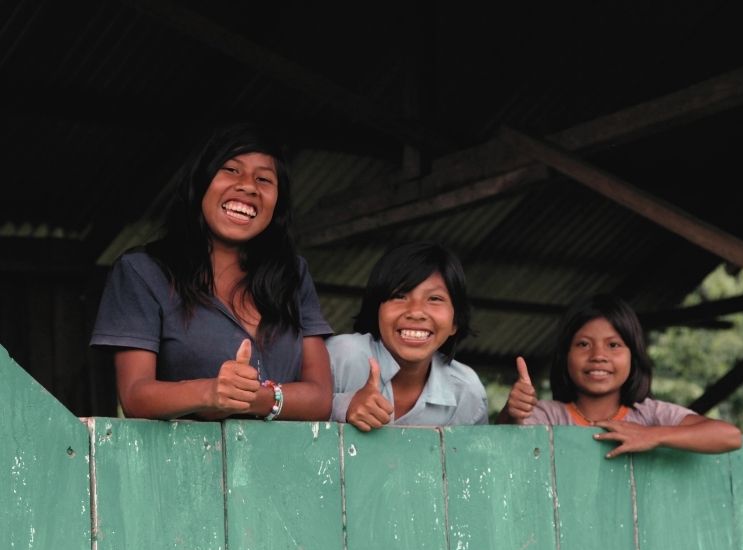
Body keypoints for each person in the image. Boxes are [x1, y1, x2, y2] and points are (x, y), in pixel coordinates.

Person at [91, 122, 333, 421]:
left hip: (288, 452)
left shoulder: (293, 274)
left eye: (263, 179)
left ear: (277, 203)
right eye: (231, 170)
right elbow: (134, 396)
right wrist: (210, 392)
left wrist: (255, 399)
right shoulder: (142, 272)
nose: (248, 186)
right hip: (186, 452)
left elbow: (320, 399)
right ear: (200, 183)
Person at [498, 294, 742, 457]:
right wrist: (512, 411)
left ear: (634, 356)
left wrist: (652, 435)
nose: (598, 356)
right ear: (565, 356)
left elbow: (730, 436)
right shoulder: (547, 415)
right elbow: (504, 440)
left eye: (613, 345)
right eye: (583, 344)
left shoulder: (649, 415)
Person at [326, 241, 488, 431]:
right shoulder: (340, 357)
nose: (416, 312)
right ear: (376, 309)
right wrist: (343, 406)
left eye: (434, 299)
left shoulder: (466, 392)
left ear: (455, 322)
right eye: (400, 296)